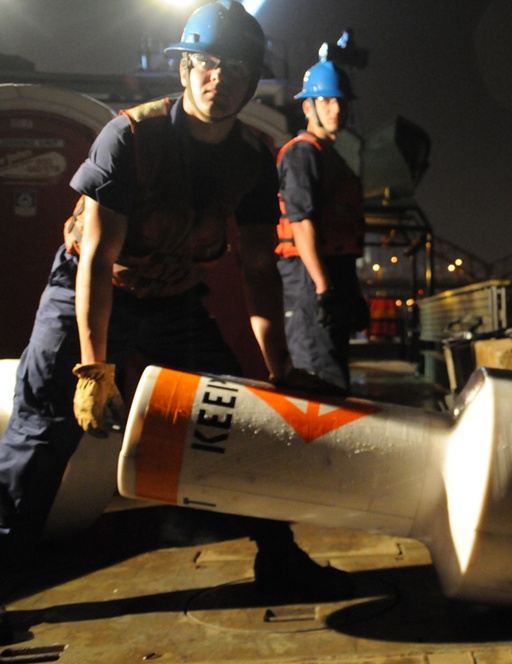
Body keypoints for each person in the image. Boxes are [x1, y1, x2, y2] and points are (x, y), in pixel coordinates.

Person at [0, 0, 351, 604]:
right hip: (88, 287)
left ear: (250, 80)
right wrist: (91, 368)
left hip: (171, 297)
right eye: (207, 64)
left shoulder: (248, 162)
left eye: (236, 68)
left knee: (235, 416)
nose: (220, 79)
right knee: (41, 432)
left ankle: (280, 556)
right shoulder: (131, 137)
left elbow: (260, 269)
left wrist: (279, 367)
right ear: (185, 68)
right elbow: (97, 263)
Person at [275, 44, 367, 393]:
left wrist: (350, 293)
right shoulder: (303, 154)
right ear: (308, 106)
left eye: (341, 101)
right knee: (319, 379)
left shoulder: (332, 157)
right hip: (309, 278)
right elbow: (302, 223)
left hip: (332, 274)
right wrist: (324, 288)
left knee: (333, 371)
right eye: (327, 100)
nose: (336, 108)